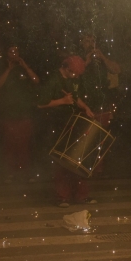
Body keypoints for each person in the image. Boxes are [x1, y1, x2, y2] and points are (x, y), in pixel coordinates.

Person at [38, 55, 96, 207]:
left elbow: (75, 97)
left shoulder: (72, 78)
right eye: (74, 73)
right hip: (56, 124)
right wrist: (62, 101)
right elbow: (40, 103)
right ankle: (62, 196)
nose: (76, 77)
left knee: (78, 159)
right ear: (66, 68)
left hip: (72, 122)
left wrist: (85, 107)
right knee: (61, 161)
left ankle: (81, 195)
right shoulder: (53, 80)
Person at [0, 46, 39, 182]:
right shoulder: (2, 67)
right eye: (11, 51)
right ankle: (9, 174)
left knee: (24, 146)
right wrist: (9, 68)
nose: (14, 54)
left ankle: (25, 174)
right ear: (7, 53)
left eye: (16, 51)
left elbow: (36, 81)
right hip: (8, 113)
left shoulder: (24, 68)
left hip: (24, 113)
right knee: (9, 146)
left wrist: (25, 66)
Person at [77, 33, 121, 124]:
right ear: (82, 43)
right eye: (87, 41)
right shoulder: (78, 56)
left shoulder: (102, 54)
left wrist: (103, 58)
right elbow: (73, 75)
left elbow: (117, 70)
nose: (90, 44)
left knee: (103, 127)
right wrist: (86, 62)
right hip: (85, 98)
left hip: (102, 98)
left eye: (93, 41)